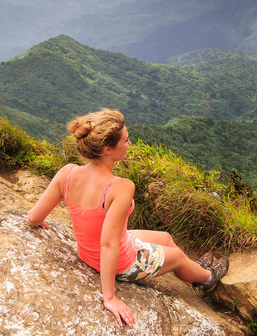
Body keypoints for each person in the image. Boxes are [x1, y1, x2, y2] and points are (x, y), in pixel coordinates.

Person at [27, 108, 228, 328]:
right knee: (178, 256)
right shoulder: (120, 187)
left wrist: (38, 223)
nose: (129, 143)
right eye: (126, 140)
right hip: (122, 262)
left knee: (166, 238)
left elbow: (34, 217)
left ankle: (194, 269)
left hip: (91, 252)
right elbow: (108, 243)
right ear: (107, 149)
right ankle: (207, 278)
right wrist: (109, 297)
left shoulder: (67, 173)